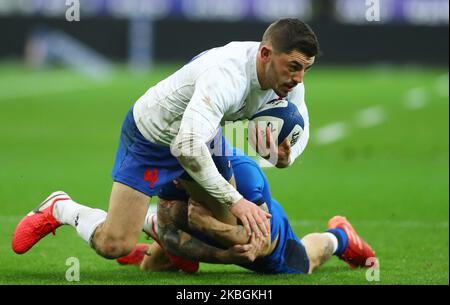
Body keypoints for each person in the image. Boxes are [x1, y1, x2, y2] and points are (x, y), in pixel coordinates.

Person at [12, 18, 319, 260]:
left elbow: (301, 122)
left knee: (227, 230)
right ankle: (61, 208)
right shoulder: (227, 76)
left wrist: (285, 157)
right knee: (114, 244)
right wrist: (236, 200)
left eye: (306, 68)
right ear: (266, 54)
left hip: (202, 138)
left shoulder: (290, 81)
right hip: (153, 137)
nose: (299, 78)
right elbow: (184, 146)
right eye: (294, 67)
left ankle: (162, 235)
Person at [119, 148, 377, 274]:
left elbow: (258, 245)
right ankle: (154, 247)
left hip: (261, 231)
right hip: (200, 226)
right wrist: (216, 252)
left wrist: (209, 226)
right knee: (150, 269)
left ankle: (339, 237)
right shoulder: (171, 167)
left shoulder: (244, 175)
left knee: (303, 263)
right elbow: (170, 227)